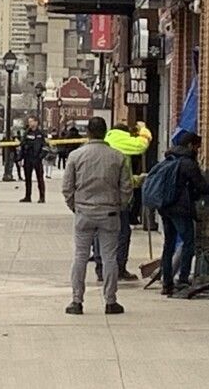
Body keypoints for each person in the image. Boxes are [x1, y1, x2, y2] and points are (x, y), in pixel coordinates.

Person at [62, 116, 133, 316]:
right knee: (110, 257)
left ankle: (77, 301)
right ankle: (110, 301)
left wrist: (75, 206)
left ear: (88, 133)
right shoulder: (117, 156)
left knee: (80, 256)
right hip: (109, 211)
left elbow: (67, 187)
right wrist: (120, 205)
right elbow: (126, 187)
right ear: (105, 132)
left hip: (84, 211)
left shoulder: (76, 156)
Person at [159, 132, 209, 296]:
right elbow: (203, 187)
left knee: (168, 244)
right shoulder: (188, 163)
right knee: (189, 243)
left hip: (165, 208)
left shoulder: (169, 159)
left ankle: (167, 282)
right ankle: (182, 280)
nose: (198, 150)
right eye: (197, 147)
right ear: (190, 146)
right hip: (181, 209)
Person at [93, 123, 150, 282]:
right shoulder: (121, 139)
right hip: (117, 198)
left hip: (97, 196)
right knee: (123, 233)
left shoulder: (107, 138)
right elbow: (142, 145)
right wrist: (143, 129)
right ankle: (119, 268)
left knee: (99, 233)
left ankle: (100, 268)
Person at [19, 116, 48, 203]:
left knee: (40, 178)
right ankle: (28, 196)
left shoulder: (41, 134)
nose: (30, 123)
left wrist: (41, 156)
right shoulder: (26, 133)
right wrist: (20, 158)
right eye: (29, 122)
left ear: (36, 122)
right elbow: (22, 145)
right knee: (27, 178)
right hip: (28, 158)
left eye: (31, 121)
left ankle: (42, 197)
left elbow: (45, 147)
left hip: (37, 159)